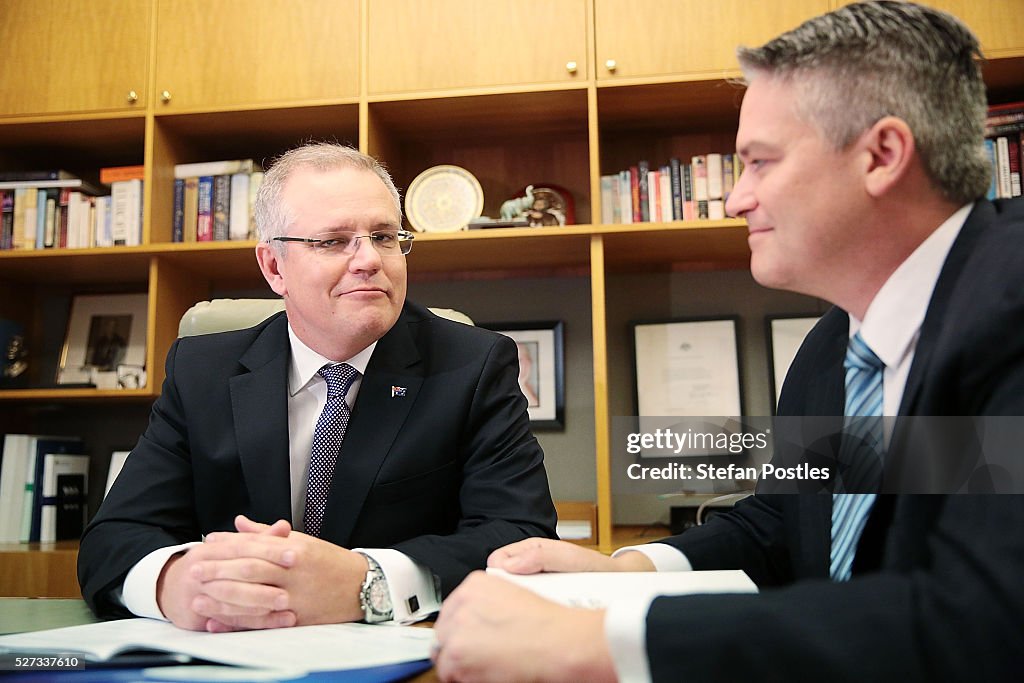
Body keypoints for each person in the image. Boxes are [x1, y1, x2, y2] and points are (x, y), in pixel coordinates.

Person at [433, 2, 1024, 681]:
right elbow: (782, 524)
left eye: (759, 162)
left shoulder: (1010, 309)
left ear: (882, 155)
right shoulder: (835, 346)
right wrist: (622, 568)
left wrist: (609, 639)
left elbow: (985, 621)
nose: (735, 198)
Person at [78, 142, 557, 632]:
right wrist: (175, 583)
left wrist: (367, 582)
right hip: (236, 651)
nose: (369, 259)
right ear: (274, 267)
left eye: (385, 236)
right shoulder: (202, 371)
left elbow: (521, 537)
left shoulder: (474, 366)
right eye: (333, 241)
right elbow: (113, 538)